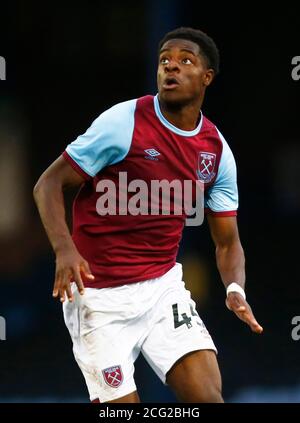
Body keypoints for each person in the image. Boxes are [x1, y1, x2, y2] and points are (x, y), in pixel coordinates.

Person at [33, 27, 263, 403]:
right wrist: (65, 249)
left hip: (161, 289)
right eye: (164, 60)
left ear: (207, 77)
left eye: (185, 60)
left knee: (208, 398)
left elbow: (227, 241)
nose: (171, 66)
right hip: (98, 297)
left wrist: (234, 288)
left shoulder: (216, 152)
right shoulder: (124, 122)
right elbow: (48, 184)